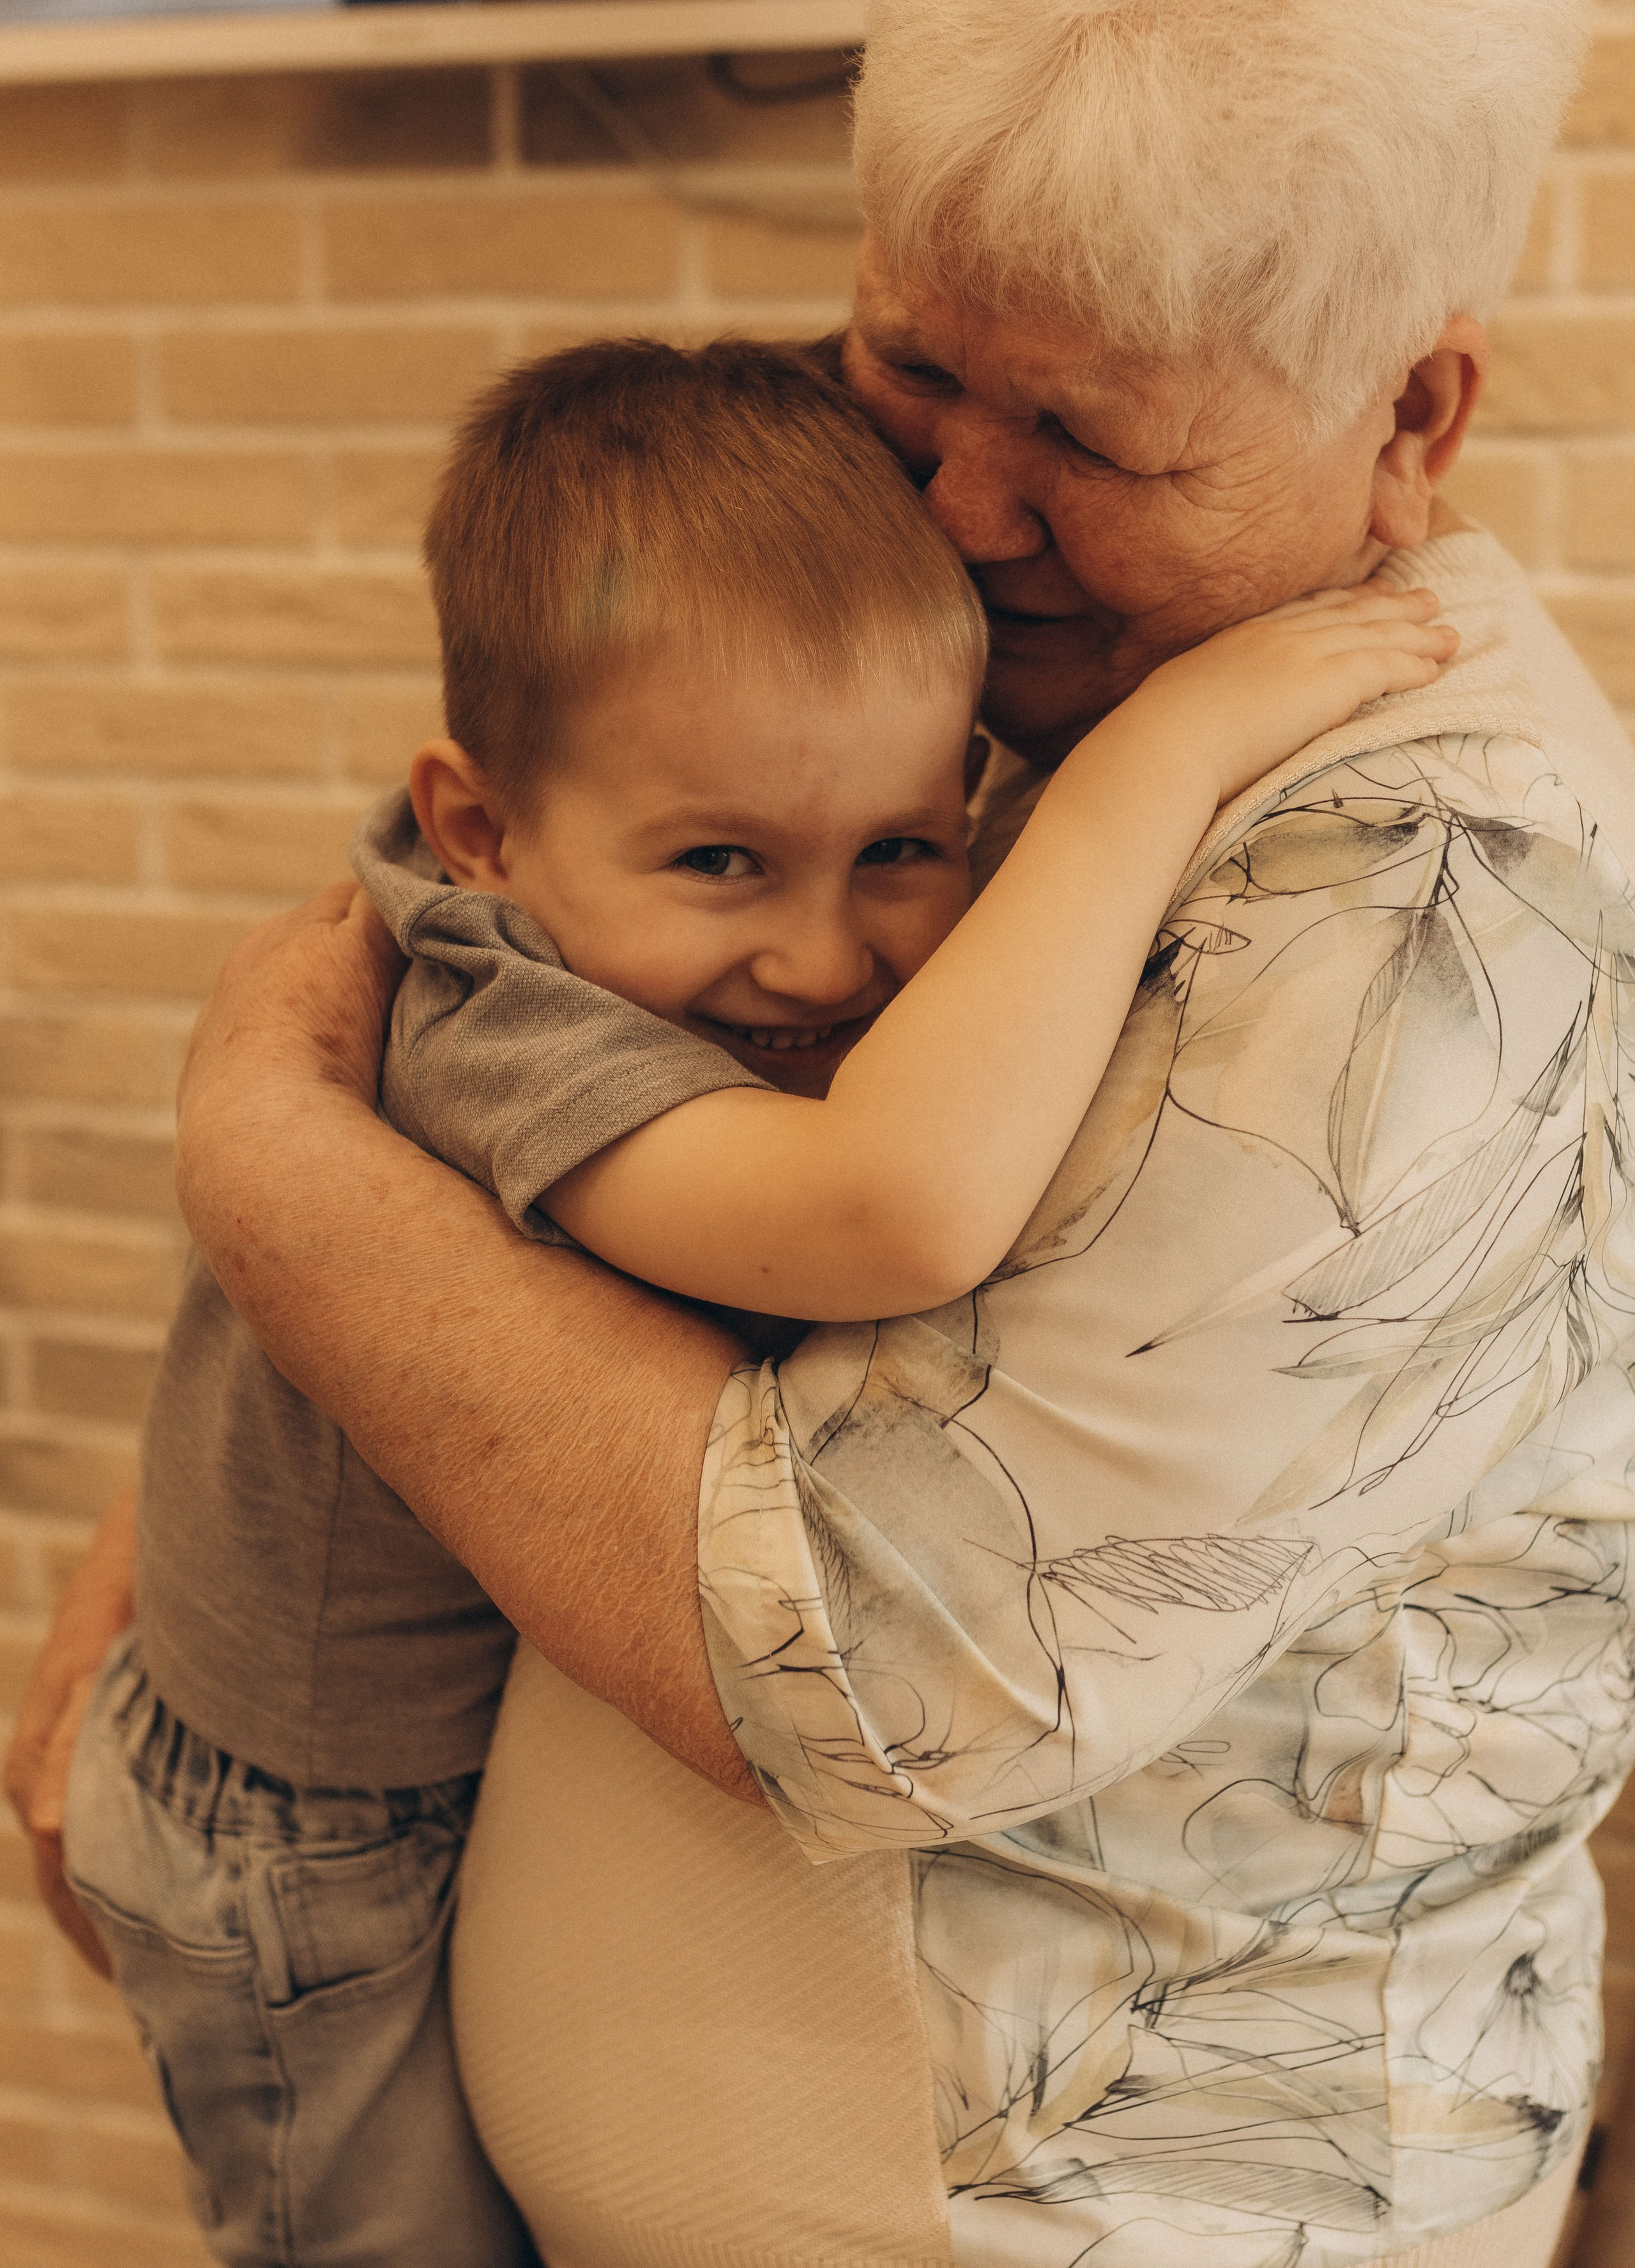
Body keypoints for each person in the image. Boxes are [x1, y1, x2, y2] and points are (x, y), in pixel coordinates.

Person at [9, 0, 1624, 2262]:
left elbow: (881, 1658)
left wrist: (262, 1163)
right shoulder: (1016, 617)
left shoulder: (1436, 887)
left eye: (1089, 442)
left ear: (1412, 411)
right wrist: (211, 1541)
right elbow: (494, 979)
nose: (959, 502)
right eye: (914, 363)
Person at [45, 333, 1451, 2268]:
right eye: (722, 864)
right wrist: (1163, 757)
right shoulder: (500, 1026)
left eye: (900, 851)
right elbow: (873, 1221)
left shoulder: (604, 855)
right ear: (479, 833)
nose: (818, 960)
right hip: (298, 1845)